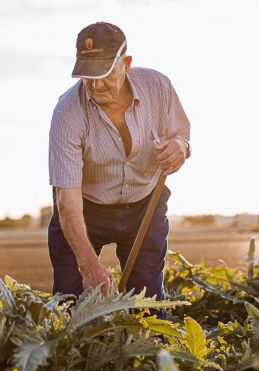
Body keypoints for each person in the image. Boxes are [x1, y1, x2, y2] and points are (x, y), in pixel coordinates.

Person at [47, 22, 191, 304]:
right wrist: (88, 265)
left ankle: (150, 348)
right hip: (85, 209)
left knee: (147, 303)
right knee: (69, 303)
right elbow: (67, 197)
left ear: (126, 64)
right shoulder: (67, 114)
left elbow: (180, 136)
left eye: (104, 74)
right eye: (88, 76)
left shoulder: (158, 87)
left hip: (145, 206)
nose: (96, 85)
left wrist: (180, 148)